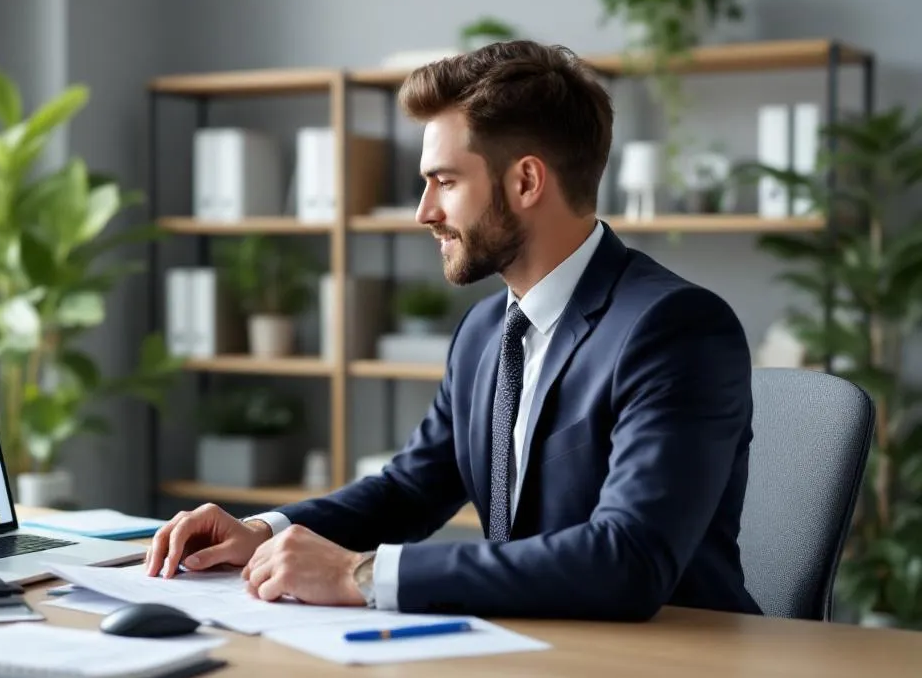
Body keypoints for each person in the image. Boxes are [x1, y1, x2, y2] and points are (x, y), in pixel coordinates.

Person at [145, 40, 762, 621]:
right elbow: (411, 489)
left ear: (525, 181)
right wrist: (261, 531)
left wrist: (361, 576)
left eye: (444, 181)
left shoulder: (674, 329)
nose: (424, 211)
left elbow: (629, 560)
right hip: (532, 652)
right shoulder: (486, 329)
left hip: (671, 668)